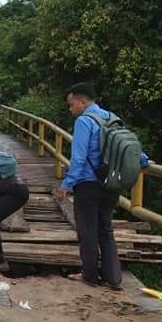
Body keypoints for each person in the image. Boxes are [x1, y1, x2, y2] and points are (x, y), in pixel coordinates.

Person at [56, 82, 122, 290]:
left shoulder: (84, 121)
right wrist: (144, 161)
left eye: (72, 104)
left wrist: (66, 184)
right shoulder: (111, 118)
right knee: (106, 229)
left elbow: (78, 158)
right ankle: (114, 279)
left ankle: (90, 275)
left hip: (88, 184)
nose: (71, 109)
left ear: (82, 102)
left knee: (87, 230)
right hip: (111, 183)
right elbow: (126, 146)